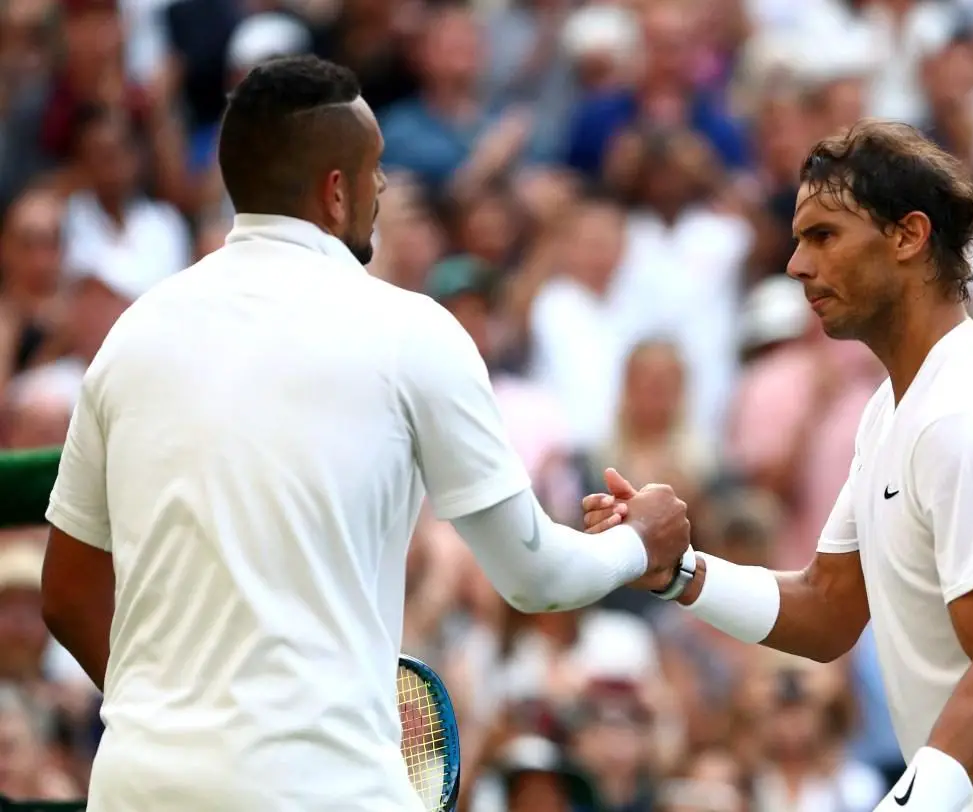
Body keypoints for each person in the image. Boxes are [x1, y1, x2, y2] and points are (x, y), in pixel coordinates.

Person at [37, 55, 691, 812]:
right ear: (336, 190)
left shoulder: (132, 334)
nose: (383, 187)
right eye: (375, 168)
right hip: (323, 790)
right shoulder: (412, 332)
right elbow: (534, 577)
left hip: (138, 785)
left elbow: (68, 592)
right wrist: (640, 541)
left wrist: (170, 722)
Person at [581, 120, 973, 811]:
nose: (796, 265)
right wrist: (679, 571)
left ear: (908, 236)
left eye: (823, 236)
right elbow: (828, 609)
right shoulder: (893, 410)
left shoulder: (971, 415)